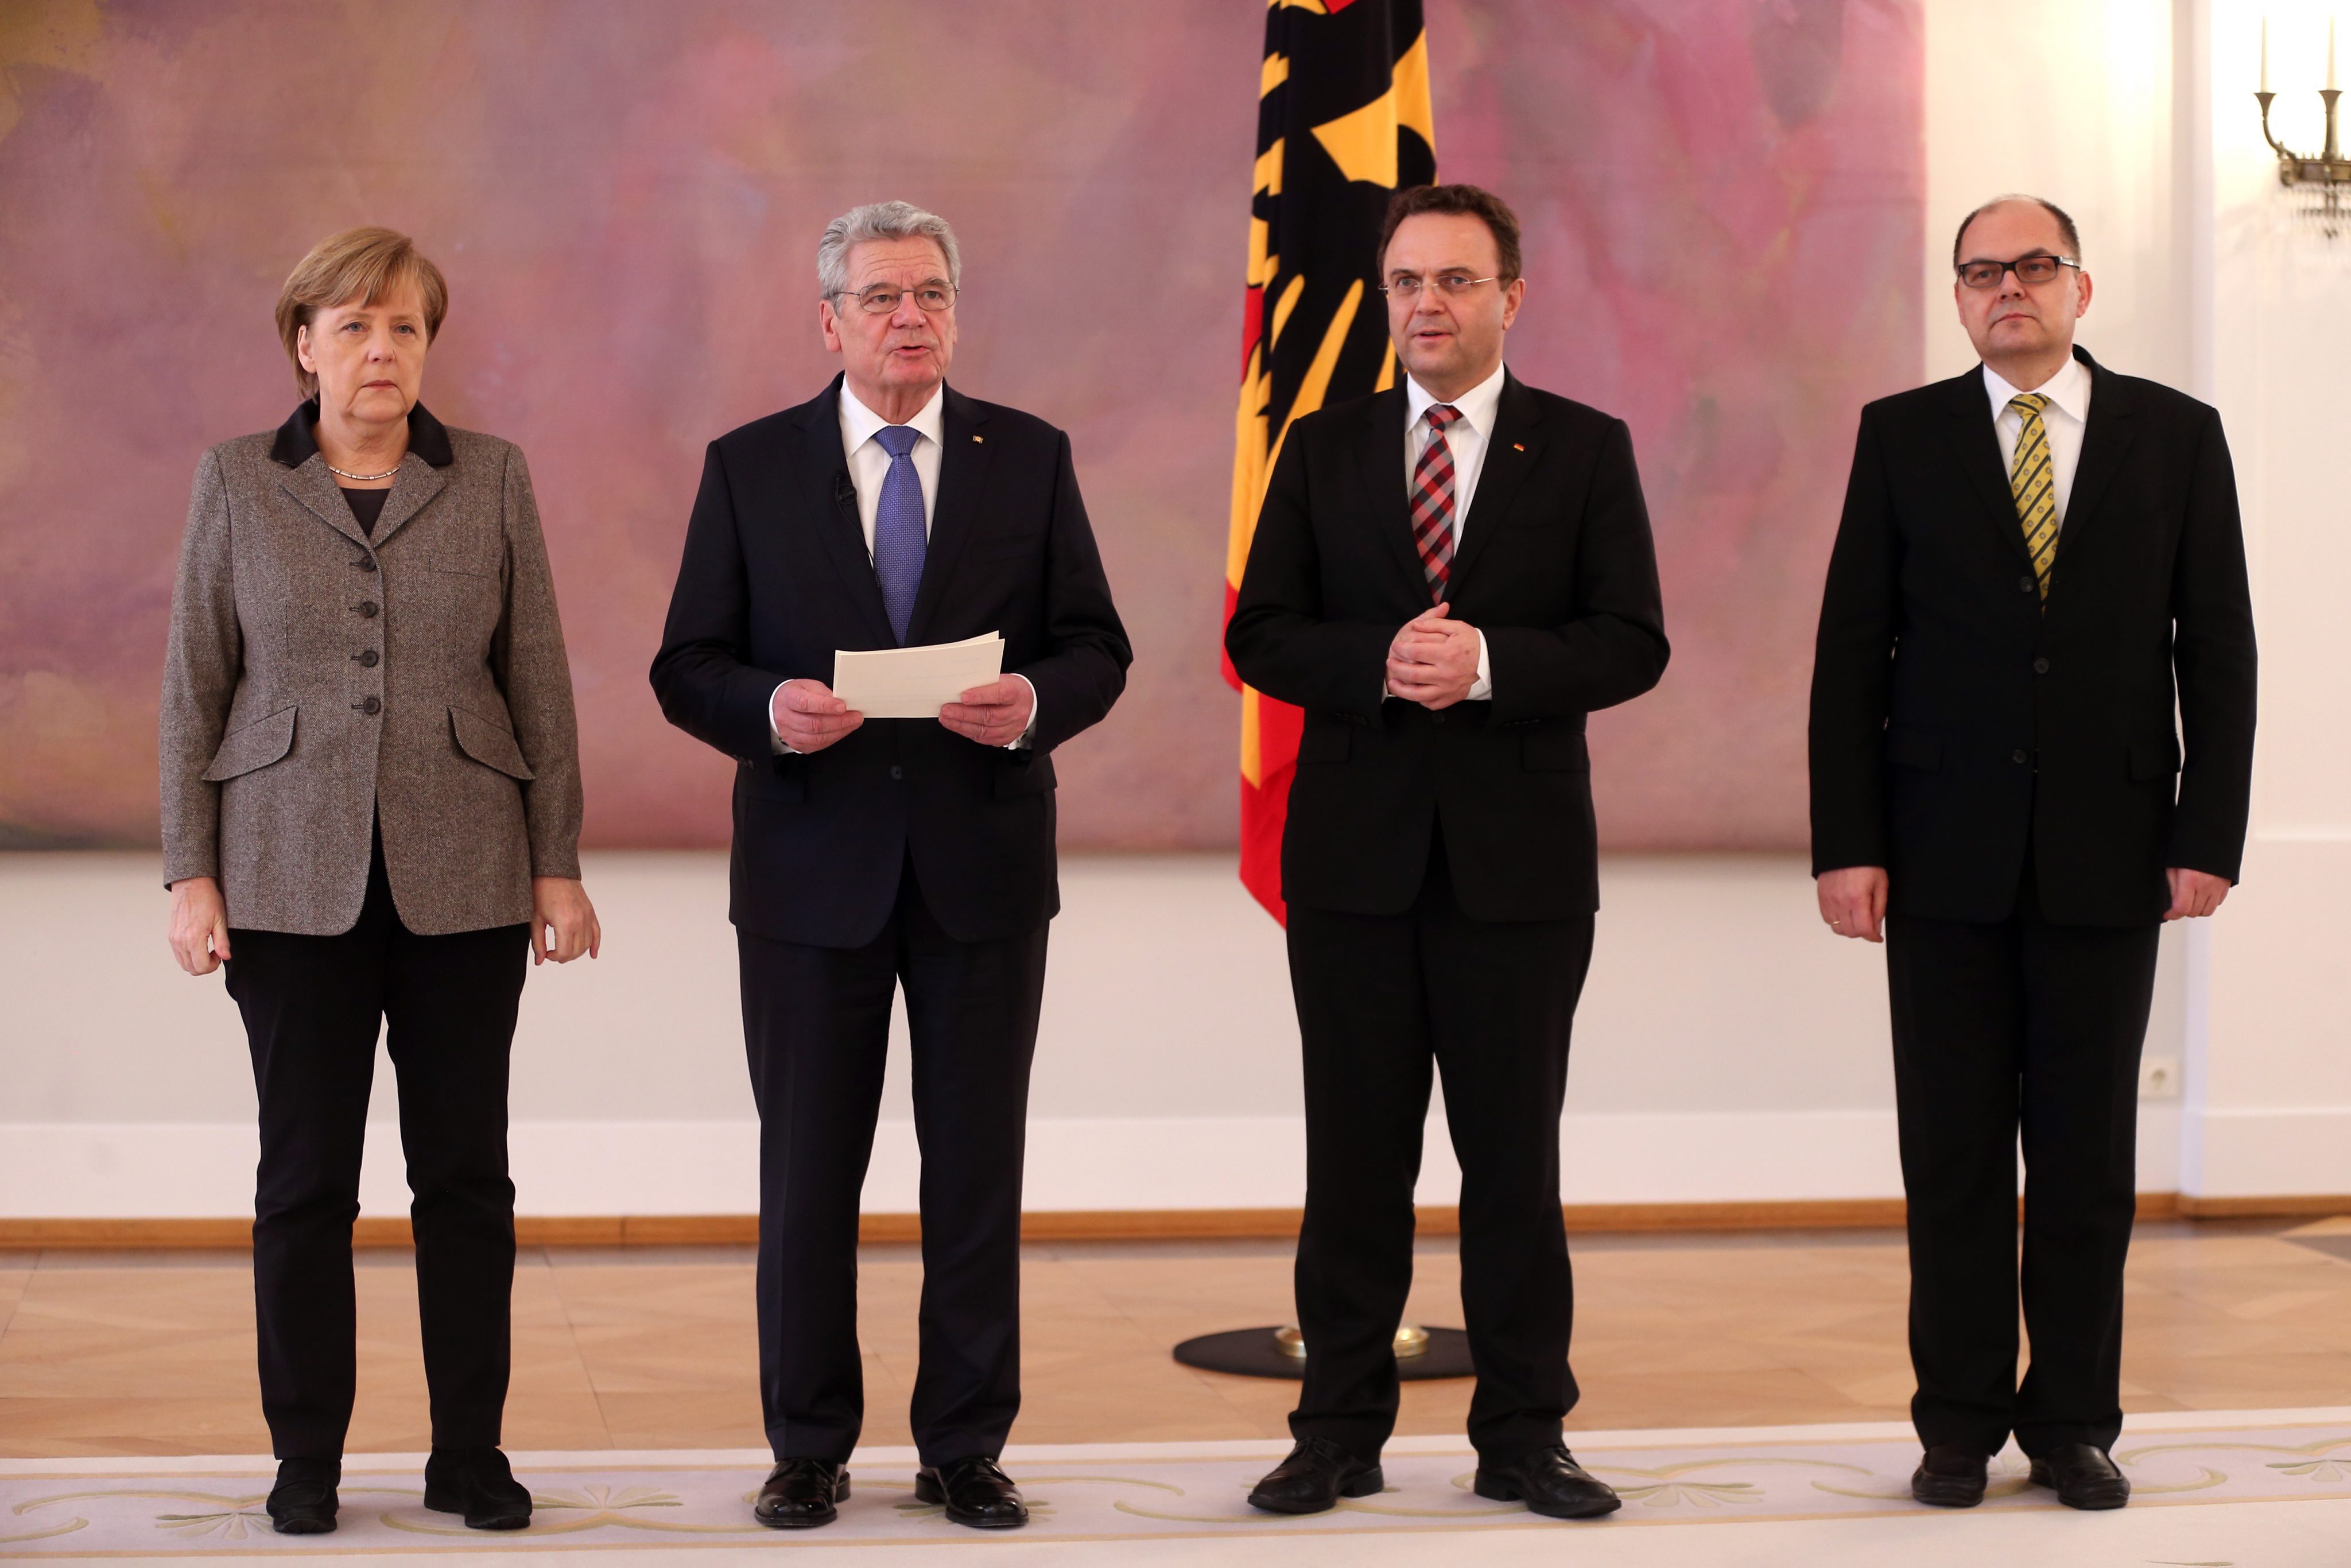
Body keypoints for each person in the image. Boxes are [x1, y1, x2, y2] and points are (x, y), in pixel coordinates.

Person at [649, 201, 1130, 1532]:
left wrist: (1033, 701)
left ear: (954, 313)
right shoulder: (750, 466)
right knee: (808, 1172)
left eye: (928, 294)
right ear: (828, 321)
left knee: (975, 1171)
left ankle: (964, 1446)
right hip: (810, 875)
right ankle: (807, 1446)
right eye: (878, 297)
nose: (907, 316)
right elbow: (686, 664)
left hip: (984, 871)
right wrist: (765, 708)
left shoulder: (1026, 456)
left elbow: (1096, 647)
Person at [1225, 183, 1669, 1522]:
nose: (1427, 303)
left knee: (1512, 1168)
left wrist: (1485, 664)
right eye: (1407, 281)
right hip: (1350, 867)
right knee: (1352, 1165)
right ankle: (1334, 1431)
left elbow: (1629, 641)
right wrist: (1378, 660)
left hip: (1518, 873)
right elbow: (1259, 634)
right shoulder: (1318, 446)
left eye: (1455, 280)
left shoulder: (1582, 448)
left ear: (1509, 297)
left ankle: (1523, 1436)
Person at [1809, 195, 2256, 1512]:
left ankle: (2070, 1424)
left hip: (2110, 853)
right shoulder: (1900, 436)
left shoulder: (2174, 436)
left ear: (2079, 288)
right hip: (1934, 855)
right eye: (1980, 272)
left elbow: (2216, 650)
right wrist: (1846, 842)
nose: (2007, 287)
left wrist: (2207, 833)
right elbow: (1850, 654)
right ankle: (1954, 1424)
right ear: (1957, 298)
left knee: (2081, 1161)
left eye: (2033, 265)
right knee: (1949, 1156)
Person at [160, 227, 600, 1535]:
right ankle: (307, 1458)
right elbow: (193, 686)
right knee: (303, 1182)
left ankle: (469, 1453)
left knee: (465, 1180)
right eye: (353, 326)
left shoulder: (493, 476)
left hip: (466, 874)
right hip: (284, 877)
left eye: (404, 327)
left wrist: (557, 864)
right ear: (304, 345)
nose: (381, 350)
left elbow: (539, 680)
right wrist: (191, 872)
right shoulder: (236, 481)